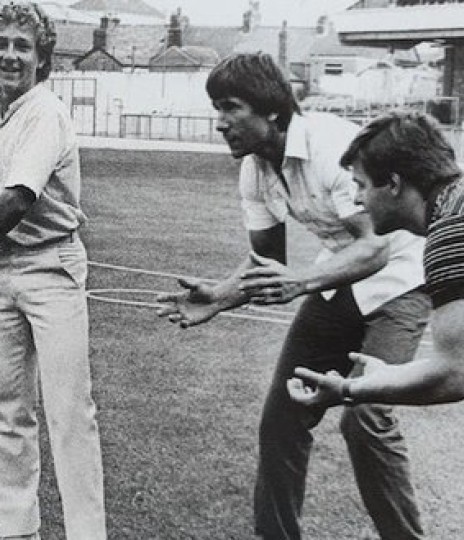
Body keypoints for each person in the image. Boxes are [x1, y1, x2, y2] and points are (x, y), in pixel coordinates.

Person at [155, 53, 430, 540]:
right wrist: (220, 296)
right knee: (283, 415)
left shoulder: (329, 145)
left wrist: (301, 282)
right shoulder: (255, 171)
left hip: (402, 277)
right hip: (338, 281)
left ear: (273, 111)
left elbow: (376, 247)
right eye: (216, 108)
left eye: (230, 108)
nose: (220, 123)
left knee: (366, 417)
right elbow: (265, 261)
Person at [0, 3, 106, 538]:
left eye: (23, 46)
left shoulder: (46, 111)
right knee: (6, 413)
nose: (11, 55)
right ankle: (15, 531)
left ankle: (87, 533)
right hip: (4, 274)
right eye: (2, 44)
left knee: (69, 416)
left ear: (42, 58)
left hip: (51, 270)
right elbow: (3, 184)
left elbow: (19, 197)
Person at [288, 111, 464, 407]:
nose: (357, 199)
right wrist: (389, 378)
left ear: (393, 184)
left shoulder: (450, 233)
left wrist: (351, 390)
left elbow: (455, 373)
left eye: (361, 184)